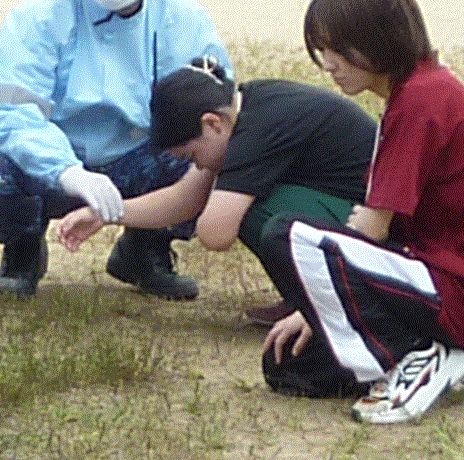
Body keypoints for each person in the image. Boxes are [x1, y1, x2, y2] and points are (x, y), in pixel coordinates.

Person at [260, 0, 464, 423]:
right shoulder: (427, 87)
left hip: (460, 290)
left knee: (288, 234)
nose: (328, 63)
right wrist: (319, 302)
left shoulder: (419, 103)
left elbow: (373, 228)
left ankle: (418, 357)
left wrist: (318, 290)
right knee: (287, 368)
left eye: (337, 48)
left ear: (378, 39)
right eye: (321, 50)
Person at [0, 0, 228, 301]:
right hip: (55, 161)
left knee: (204, 154)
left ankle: (145, 250)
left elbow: (216, 108)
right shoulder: (35, 16)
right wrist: (68, 172)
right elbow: (12, 115)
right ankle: (21, 251)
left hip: (138, 156)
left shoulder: (184, 18)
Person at [56, 58, 376, 326]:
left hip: (370, 228)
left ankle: (330, 302)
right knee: (242, 201)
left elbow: (214, 232)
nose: (195, 164)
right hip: (347, 211)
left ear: (213, 123)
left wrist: (217, 190)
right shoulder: (246, 109)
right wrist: (106, 213)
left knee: (255, 211)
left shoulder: (257, 132)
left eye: (191, 156)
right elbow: (184, 199)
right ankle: (303, 300)